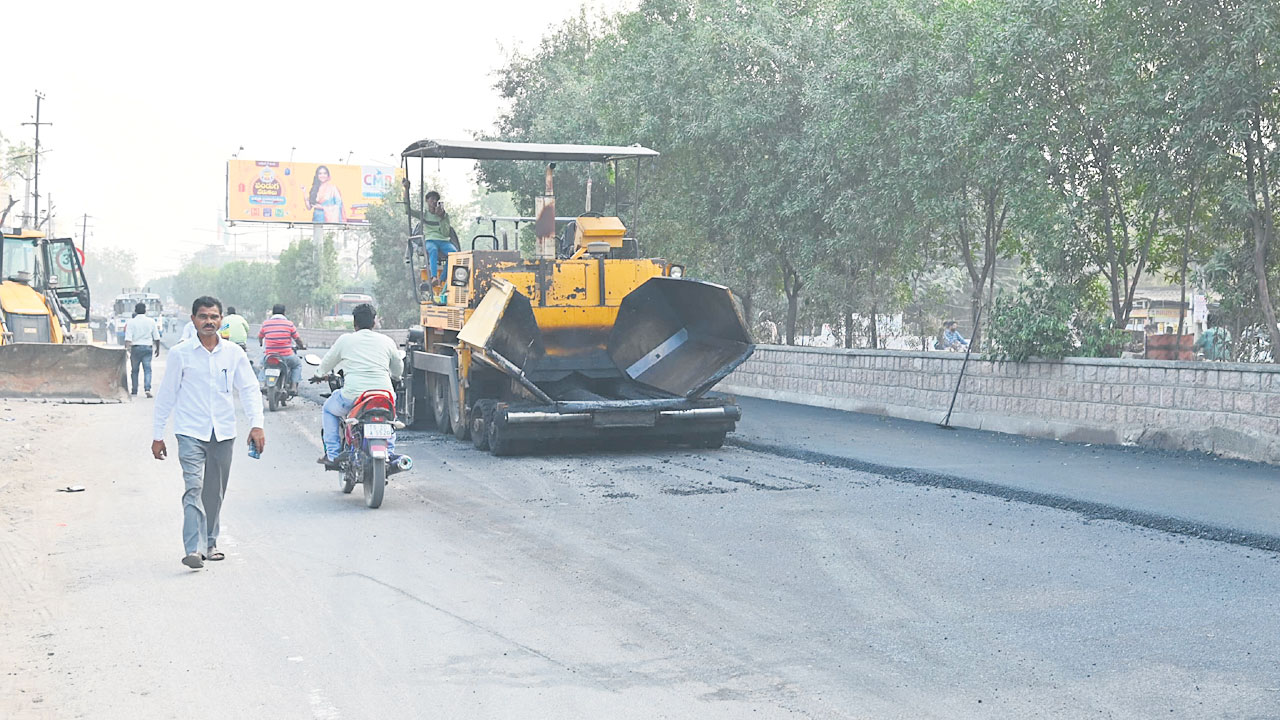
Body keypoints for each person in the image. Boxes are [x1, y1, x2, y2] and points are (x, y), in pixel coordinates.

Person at [151, 296, 264, 569]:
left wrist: (256, 424)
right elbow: (166, 394)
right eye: (203, 316)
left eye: (214, 317)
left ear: (221, 320)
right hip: (190, 431)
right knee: (194, 487)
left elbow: (248, 388)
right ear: (194, 320)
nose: (209, 321)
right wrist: (157, 435)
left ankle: (210, 543)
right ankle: (193, 549)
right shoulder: (181, 354)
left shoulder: (233, 354)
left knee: (214, 491)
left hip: (223, 432)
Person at [314, 303, 403, 468]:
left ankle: (333, 455)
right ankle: (389, 453)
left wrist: (319, 374)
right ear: (374, 322)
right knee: (390, 419)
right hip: (384, 394)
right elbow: (398, 366)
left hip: (353, 395)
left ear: (354, 323)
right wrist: (396, 377)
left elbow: (328, 361)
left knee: (328, 409)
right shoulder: (387, 341)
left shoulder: (346, 340)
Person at [402, 178, 454, 288]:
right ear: (427, 201)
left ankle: (442, 279)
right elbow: (407, 210)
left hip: (443, 241)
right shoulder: (424, 214)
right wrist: (406, 189)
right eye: (432, 199)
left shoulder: (444, 216)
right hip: (430, 240)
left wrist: (442, 217)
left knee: (454, 254)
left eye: (436, 200)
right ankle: (433, 277)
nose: (434, 201)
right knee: (433, 250)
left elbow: (445, 233)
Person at [258, 304, 306, 386]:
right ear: (284, 313)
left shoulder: (266, 324)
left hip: (270, 355)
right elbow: (297, 338)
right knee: (297, 365)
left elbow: (260, 336)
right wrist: (302, 346)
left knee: (262, 365)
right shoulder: (289, 324)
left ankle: (263, 383)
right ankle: (294, 386)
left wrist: (261, 343)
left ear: (273, 313)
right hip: (286, 355)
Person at [123, 301, 161, 398]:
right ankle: (147, 389)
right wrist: (157, 349)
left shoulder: (131, 322)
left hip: (135, 349)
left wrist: (126, 350)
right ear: (145, 311)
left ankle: (134, 390)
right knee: (147, 370)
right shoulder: (151, 321)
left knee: (134, 370)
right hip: (147, 348)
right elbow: (156, 337)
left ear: (135, 311)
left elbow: (128, 339)